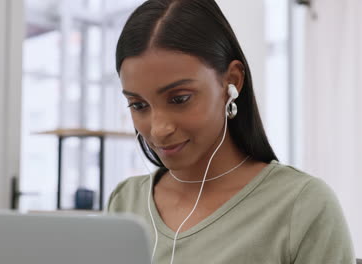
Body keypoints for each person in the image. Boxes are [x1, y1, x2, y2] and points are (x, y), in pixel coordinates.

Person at [106, 0, 356, 263]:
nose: (158, 130)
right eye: (138, 105)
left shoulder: (302, 206)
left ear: (232, 82)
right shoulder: (126, 202)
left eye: (179, 99)